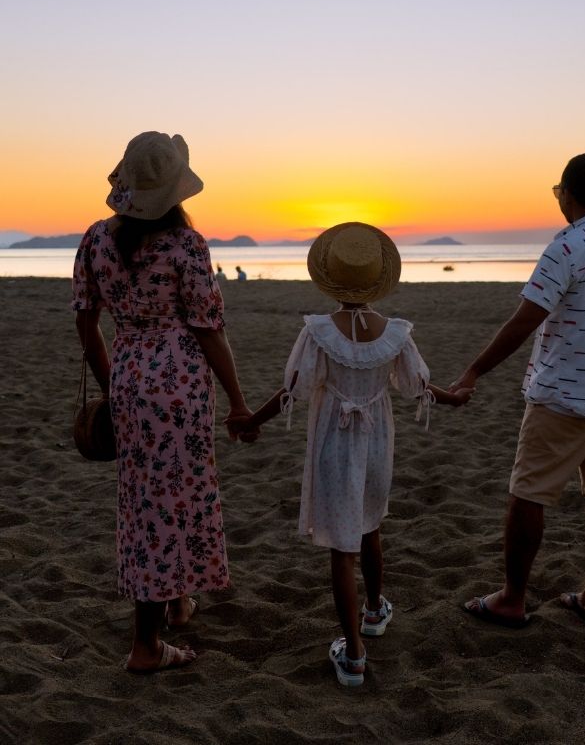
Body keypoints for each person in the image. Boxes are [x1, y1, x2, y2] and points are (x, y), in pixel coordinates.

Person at [227, 222, 473, 687]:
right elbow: (418, 388)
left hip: (334, 441)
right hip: (377, 439)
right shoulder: (394, 332)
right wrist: (454, 397)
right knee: (370, 526)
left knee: (343, 546)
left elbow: (293, 391)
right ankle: (375, 610)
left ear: (329, 278)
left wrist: (250, 422)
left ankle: (354, 655)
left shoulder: (319, 331)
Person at [72, 131, 252, 672]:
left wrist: (112, 383)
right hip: (181, 383)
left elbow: (87, 322)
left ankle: (177, 602)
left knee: (147, 496)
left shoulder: (96, 240)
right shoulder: (185, 246)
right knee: (176, 496)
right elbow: (208, 329)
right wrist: (238, 401)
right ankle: (146, 645)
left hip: (129, 377)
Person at [452, 153, 585, 628]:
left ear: (567, 193)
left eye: (558, 191)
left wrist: (474, 371)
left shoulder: (567, 246)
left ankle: (512, 599)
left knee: (528, 495)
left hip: (565, 396)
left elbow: (524, 319)